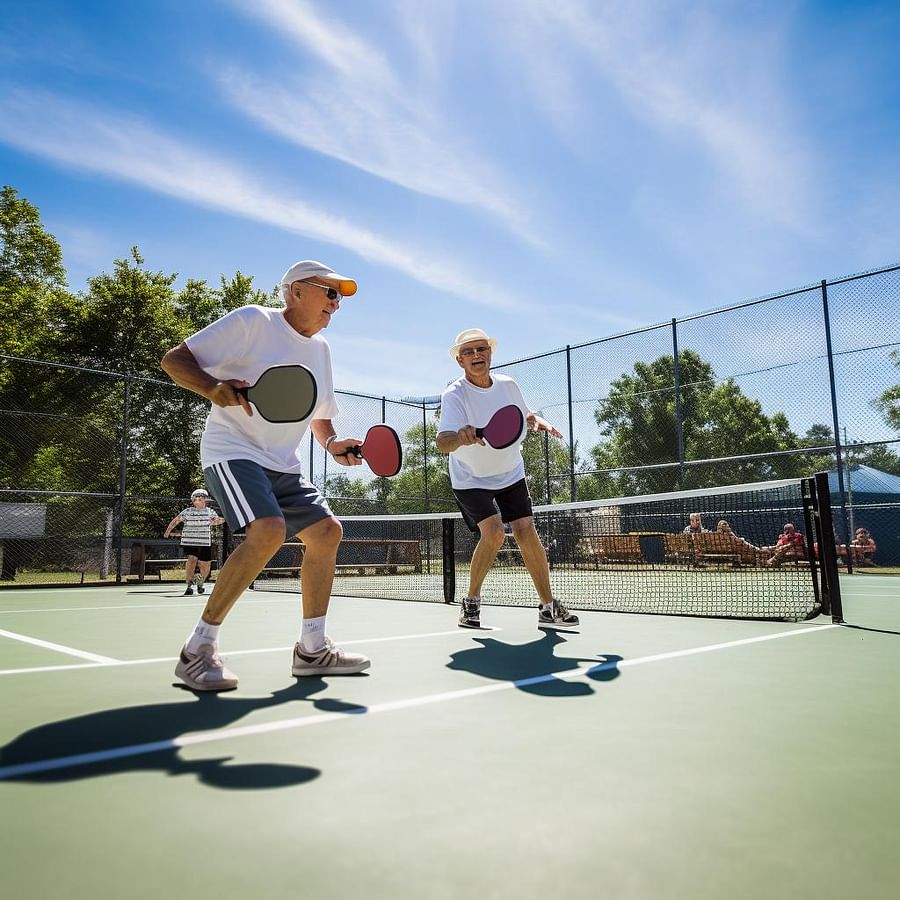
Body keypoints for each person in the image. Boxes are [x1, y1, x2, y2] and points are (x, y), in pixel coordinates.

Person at [160, 259, 371, 691]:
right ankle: (197, 650)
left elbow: (320, 414)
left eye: (341, 297)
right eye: (330, 292)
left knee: (328, 532)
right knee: (268, 529)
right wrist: (210, 387)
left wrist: (332, 445)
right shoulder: (254, 321)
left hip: (281, 461)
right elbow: (175, 359)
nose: (337, 303)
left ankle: (313, 650)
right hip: (232, 450)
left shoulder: (322, 350)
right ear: (296, 291)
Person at [435, 328, 579, 630]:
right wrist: (461, 437)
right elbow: (443, 442)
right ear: (460, 361)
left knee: (526, 531)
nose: (477, 355)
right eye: (470, 352)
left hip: (510, 471)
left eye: (482, 349)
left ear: (490, 353)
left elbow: (522, 416)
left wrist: (538, 421)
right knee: (494, 534)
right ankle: (471, 601)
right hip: (471, 478)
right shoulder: (455, 395)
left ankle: (548, 606)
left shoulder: (508, 385)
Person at [163, 489, 226, 595]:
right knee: (192, 559)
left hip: (205, 542)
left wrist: (220, 520)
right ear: (193, 500)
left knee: (205, 565)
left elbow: (217, 521)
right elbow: (176, 520)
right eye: (196, 498)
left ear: (205, 500)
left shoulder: (210, 511)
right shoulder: (188, 511)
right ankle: (189, 584)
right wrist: (167, 531)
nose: (199, 499)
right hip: (190, 541)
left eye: (201, 497)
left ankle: (200, 582)